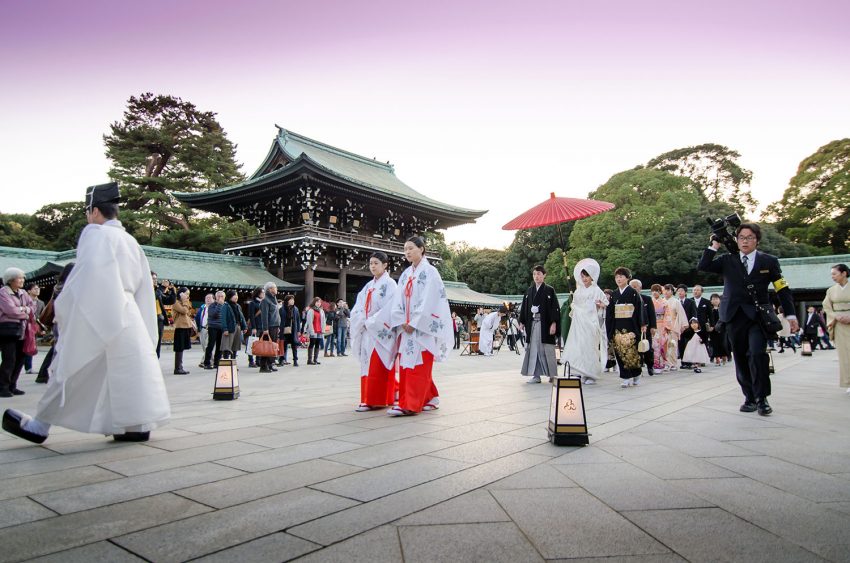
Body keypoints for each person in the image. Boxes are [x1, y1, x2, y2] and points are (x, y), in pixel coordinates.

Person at [3, 181, 170, 444]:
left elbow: (86, 277)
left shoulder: (95, 234)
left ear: (94, 211)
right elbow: (142, 288)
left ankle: (39, 426)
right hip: (130, 315)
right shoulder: (130, 241)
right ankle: (135, 424)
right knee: (128, 371)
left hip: (101, 308)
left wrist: (66, 306)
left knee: (70, 367)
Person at [698, 222, 798, 416]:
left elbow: (782, 289)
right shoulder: (728, 260)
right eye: (741, 237)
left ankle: (762, 398)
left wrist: (791, 314)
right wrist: (714, 245)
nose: (745, 241)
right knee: (741, 357)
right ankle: (749, 397)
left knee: (757, 354)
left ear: (757, 240)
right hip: (734, 316)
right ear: (736, 239)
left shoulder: (768, 261)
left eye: (750, 237)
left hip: (757, 316)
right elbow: (704, 266)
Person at [377, 236, 451, 416]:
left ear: (421, 249)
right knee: (407, 365)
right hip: (406, 326)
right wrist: (402, 320)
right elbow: (397, 301)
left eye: (411, 248)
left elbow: (430, 300)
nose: (407, 252)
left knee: (419, 366)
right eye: (405, 249)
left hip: (422, 328)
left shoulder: (431, 272)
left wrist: (415, 322)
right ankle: (429, 398)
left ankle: (410, 404)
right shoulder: (405, 274)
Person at [352, 251, 399, 411]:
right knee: (367, 364)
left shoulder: (390, 284)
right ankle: (368, 397)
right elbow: (358, 307)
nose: (372, 266)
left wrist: (371, 321)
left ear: (385, 265)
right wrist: (361, 320)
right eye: (371, 263)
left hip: (379, 330)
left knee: (378, 364)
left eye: (376, 263)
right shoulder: (368, 286)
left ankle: (375, 400)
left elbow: (391, 308)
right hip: (367, 330)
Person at [564, 258, 608, 385]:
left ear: (592, 276)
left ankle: (591, 374)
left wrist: (600, 305)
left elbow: (605, 303)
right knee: (579, 347)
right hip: (579, 323)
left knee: (590, 347)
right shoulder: (578, 290)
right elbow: (574, 304)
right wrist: (576, 308)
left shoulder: (596, 290)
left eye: (586, 276)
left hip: (591, 322)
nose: (584, 279)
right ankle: (582, 371)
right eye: (582, 276)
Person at [519, 265, 561, 383]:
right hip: (532, 324)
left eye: (539, 274)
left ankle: (552, 375)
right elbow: (524, 308)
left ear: (544, 275)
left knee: (547, 349)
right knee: (534, 350)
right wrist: (522, 321)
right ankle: (536, 375)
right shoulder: (529, 291)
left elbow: (555, 308)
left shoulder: (549, 290)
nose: (536, 276)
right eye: (534, 274)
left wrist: (553, 323)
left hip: (545, 324)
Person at [606, 267, 647, 387]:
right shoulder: (614, 294)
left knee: (633, 352)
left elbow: (639, 310)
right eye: (617, 277)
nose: (618, 279)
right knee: (620, 352)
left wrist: (642, 324)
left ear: (627, 278)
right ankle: (625, 377)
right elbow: (610, 313)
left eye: (621, 277)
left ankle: (636, 374)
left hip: (631, 326)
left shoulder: (633, 293)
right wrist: (610, 329)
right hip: (618, 326)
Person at [36, 263, 75, 384]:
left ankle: (49, 374)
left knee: (58, 347)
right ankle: (57, 375)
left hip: (58, 320)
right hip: (66, 320)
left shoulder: (58, 287)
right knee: (61, 349)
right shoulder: (70, 287)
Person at [0, 267, 34, 398]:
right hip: (7, 330)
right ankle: (2, 386)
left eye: (22, 277)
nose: (22, 280)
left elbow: (32, 307)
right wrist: (25, 312)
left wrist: (22, 309)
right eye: (19, 278)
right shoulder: (3, 292)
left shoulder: (23, 292)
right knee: (9, 359)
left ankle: (12, 385)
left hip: (22, 329)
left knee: (20, 358)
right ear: (11, 280)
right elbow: (10, 310)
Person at [822, 263, 850, 394]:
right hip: (839, 325)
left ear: (844, 273)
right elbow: (827, 307)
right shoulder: (831, 290)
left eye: (834, 273)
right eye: (831, 274)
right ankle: (848, 382)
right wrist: (836, 316)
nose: (832, 276)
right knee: (844, 355)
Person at [630, 279, 656, 376]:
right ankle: (639, 367)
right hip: (633, 328)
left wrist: (653, 326)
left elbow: (652, 314)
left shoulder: (647, 299)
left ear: (640, 288)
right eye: (632, 287)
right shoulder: (628, 299)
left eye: (635, 286)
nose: (633, 288)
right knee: (636, 348)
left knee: (647, 348)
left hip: (646, 328)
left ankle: (650, 365)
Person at [662, 284, 688, 371]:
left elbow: (681, 313)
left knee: (672, 345)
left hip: (673, 325)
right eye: (665, 290)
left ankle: (672, 363)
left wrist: (683, 325)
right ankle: (665, 363)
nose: (666, 292)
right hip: (663, 326)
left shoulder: (676, 301)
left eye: (668, 290)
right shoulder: (661, 301)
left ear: (672, 291)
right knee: (663, 345)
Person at [22, 283, 45, 375]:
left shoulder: (41, 303)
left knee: (31, 346)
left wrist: (42, 328)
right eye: (35, 289)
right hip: (24, 326)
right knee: (21, 347)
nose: (37, 290)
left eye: (38, 288)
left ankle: (28, 368)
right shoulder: (24, 301)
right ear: (29, 291)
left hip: (34, 328)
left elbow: (42, 317)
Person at [152, 272, 176, 358]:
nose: (155, 280)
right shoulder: (150, 290)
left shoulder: (157, 290)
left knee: (158, 342)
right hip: (150, 319)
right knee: (151, 341)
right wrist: (163, 287)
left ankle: (156, 360)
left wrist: (172, 290)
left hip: (159, 318)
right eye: (153, 278)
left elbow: (170, 300)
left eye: (155, 278)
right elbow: (154, 294)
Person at [171, 287, 194, 374]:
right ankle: (177, 368)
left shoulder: (185, 302)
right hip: (180, 327)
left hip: (186, 327)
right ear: (181, 294)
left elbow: (188, 312)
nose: (188, 296)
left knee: (182, 348)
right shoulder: (176, 302)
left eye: (188, 294)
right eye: (186, 294)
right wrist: (185, 301)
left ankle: (180, 367)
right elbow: (184, 311)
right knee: (179, 348)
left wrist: (185, 301)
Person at [259, 282, 281, 373]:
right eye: (275, 287)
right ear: (269, 289)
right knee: (266, 346)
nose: (276, 289)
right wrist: (265, 329)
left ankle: (270, 364)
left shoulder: (274, 299)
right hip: (269, 327)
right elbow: (264, 316)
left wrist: (278, 325)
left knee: (272, 346)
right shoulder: (265, 300)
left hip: (275, 326)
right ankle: (263, 366)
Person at [201, 291, 225, 369]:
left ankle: (216, 363)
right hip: (213, 327)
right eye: (219, 296)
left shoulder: (226, 305)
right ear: (216, 297)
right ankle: (207, 363)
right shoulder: (212, 305)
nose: (220, 298)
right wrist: (219, 305)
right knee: (210, 345)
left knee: (219, 346)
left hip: (222, 328)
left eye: (222, 296)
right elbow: (213, 314)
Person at [221, 290, 247, 360]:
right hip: (229, 328)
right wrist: (225, 329)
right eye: (234, 295)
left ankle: (233, 362)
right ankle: (226, 362)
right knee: (227, 346)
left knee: (235, 346)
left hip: (238, 327)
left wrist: (244, 326)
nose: (236, 297)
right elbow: (223, 318)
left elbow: (241, 316)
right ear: (229, 297)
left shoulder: (238, 306)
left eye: (237, 295)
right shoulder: (225, 305)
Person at [650, 284, 668, 373]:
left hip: (661, 324)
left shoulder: (664, 302)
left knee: (661, 345)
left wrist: (666, 326)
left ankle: (661, 364)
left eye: (656, 291)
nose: (654, 292)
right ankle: (654, 364)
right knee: (653, 345)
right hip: (653, 325)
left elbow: (667, 315)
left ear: (660, 292)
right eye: (653, 291)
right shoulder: (650, 301)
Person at [707, 293, 729, 365]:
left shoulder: (722, 308)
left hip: (722, 329)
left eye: (716, 299)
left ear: (720, 300)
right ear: (711, 301)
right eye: (713, 299)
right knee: (714, 344)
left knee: (723, 343)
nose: (715, 300)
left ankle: (724, 356)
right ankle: (717, 358)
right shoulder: (710, 310)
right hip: (713, 329)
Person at [246, 287, 265, 368]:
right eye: (262, 292)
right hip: (255, 326)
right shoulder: (253, 303)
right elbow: (251, 316)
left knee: (260, 344)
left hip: (262, 326)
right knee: (252, 343)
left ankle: (258, 360)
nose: (264, 294)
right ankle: (251, 361)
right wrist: (253, 327)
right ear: (258, 293)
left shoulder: (263, 303)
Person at [280, 294, 300, 366]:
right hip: (284, 329)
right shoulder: (282, 309)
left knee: (294, 345)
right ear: (287, 301)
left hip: (293, 329)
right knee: (283, 345)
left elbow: (298, 320)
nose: (293, 301)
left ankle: (295, 360)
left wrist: (298, 331)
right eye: (291, 300)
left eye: (293, 300)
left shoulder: (295, 309)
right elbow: (280, 320)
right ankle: (282, 359)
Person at [305, 297, 326, 365]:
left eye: (319, 302)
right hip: (313, 329)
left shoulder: (321, 311)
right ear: (314, 302)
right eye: (317, 302)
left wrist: (323, 329)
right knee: (312, 344)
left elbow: (323, 321)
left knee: (317, 344)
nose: (318, 303)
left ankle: (315, 359)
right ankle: (309, 360)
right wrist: (311, 331)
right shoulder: (311, 310)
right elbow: (309, 322)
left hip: (319, 330)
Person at [195, 293, 214, 361]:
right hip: (202, 329)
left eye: (209, 298)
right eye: (206, 298)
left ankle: (205, 361)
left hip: (211, 329)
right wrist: (197, 328)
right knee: (203, 346)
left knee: (207, 346)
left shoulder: (215, 307)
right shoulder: (202, 307)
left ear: (213, 299)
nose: (208, 299)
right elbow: (197, 317)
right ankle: (211, 359)